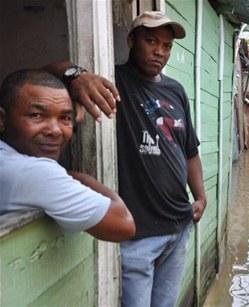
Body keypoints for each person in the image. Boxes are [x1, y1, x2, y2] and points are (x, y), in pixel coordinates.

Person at [46, 11, 207, 307]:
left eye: (167, 46)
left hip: (178, 225)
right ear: (132, 40)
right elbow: (48, 72)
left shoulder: (176, 91)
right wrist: (76, 76)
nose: (160, 51)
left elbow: (190, 151)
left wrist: (200, 195)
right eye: (151, 41)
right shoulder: (114, 83)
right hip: (138, 236)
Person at [0, 69, 135, 242]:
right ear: (2, 119)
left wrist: (76, 77)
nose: (55, 131)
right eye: (37, 115)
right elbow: (123, 225)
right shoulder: (33, 172)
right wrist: (71, 175)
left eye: (65, 118)